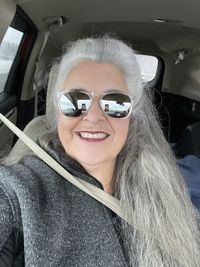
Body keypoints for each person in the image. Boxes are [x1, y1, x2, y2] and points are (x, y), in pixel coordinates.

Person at [0, 36, 200, 267]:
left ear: (132, 115)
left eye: (115, 102)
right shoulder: (23, 190)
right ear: (58, 111)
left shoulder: (163, 179)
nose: (93, 117)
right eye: (75, 101)